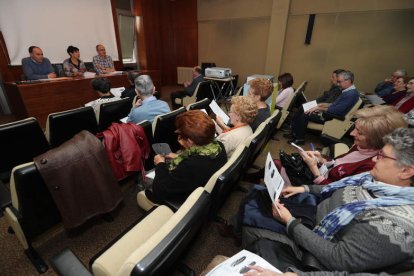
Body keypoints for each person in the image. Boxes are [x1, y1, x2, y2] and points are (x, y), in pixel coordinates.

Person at [243, 127, 414, 274]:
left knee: (252, 225)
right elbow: (335, 188)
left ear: (406, 171)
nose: (375, 159)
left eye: (382, 156)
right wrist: (305, 188)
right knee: (259, 194)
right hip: (316, 216)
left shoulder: (397, 226)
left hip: (317, 250)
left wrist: (290, 223)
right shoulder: (376, 181)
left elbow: (337, 259)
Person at [297, 105, 407, 185]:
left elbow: (333, 193)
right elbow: (338, 163)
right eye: (355, 128)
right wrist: (321, 160)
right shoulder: (362, 145)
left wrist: (315, 170)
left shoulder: (372, 167)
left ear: (376, 139)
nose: (352, 133)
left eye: (360, 132)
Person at [142, 110, 228, 206]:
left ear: (190, 141)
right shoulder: (218, 146)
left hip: (188, 201)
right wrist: (176, 156)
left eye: (180, 135)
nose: (178, 137)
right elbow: (198, 157)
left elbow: (160, 191)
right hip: (207, 187)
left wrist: (160, 164)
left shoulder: (191, 166)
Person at [288, 70, 360, 145]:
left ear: (348, 81)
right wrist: (324, 104)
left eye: (339, 82)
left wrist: (319, 108)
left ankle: (299, 139)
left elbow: (336, 111)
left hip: (332, 117)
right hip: (330, 114)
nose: (338, 84)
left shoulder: (350, 94)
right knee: (304, 108)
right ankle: (295, 134)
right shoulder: (348, 91)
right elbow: (336, 104)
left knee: (305, 113)